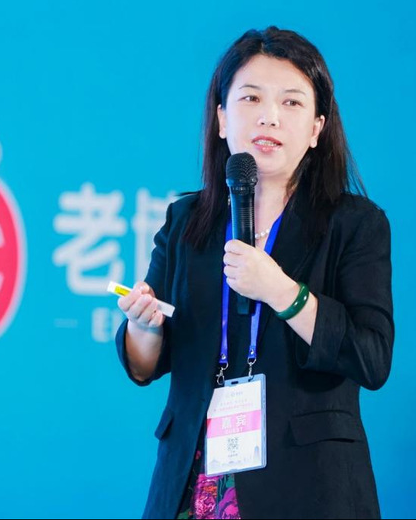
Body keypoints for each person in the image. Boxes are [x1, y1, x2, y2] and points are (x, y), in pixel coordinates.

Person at [115, 26, 394, 520]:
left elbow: (371, 358)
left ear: (316, 128)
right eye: (251, 98)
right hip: (196, 479)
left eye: (291, 102)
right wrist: (143, 327)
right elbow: (145, 366)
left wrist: (284, 293)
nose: (270, 116)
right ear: (222, 118)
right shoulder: (186, 222)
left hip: (308, 486)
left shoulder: (354, 224)